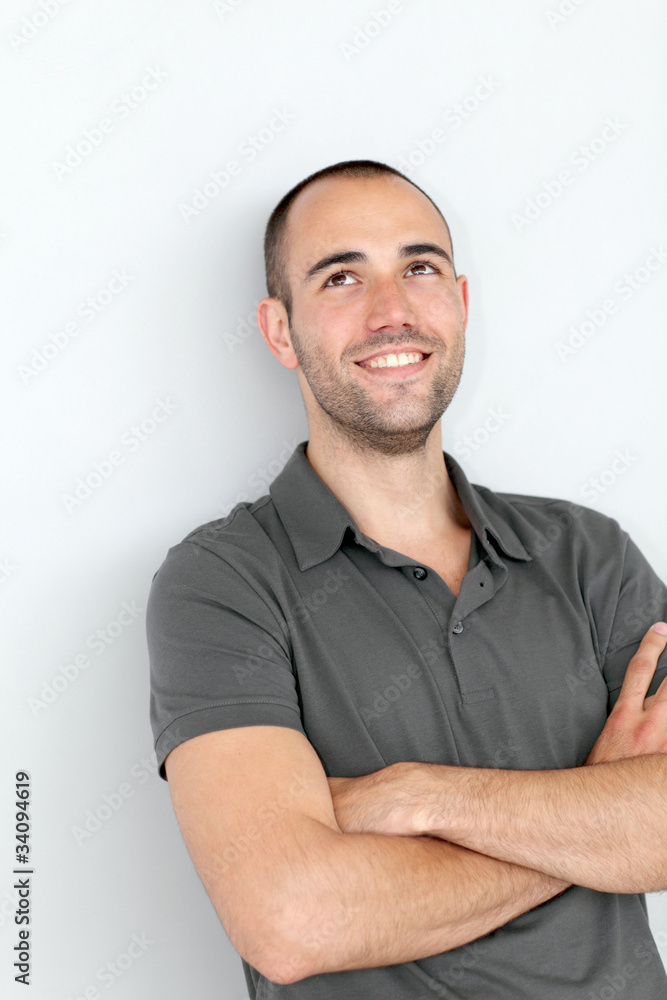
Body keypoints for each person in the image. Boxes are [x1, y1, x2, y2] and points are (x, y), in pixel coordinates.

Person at [146, 159, 667, 998]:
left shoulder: (588, 555)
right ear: (279, 331)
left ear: (459, 303)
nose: (391, 312)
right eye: (342, 276)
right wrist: (594, 817)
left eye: (418, 268)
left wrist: (417, 797)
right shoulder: (221, 585)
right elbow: (292, 920)